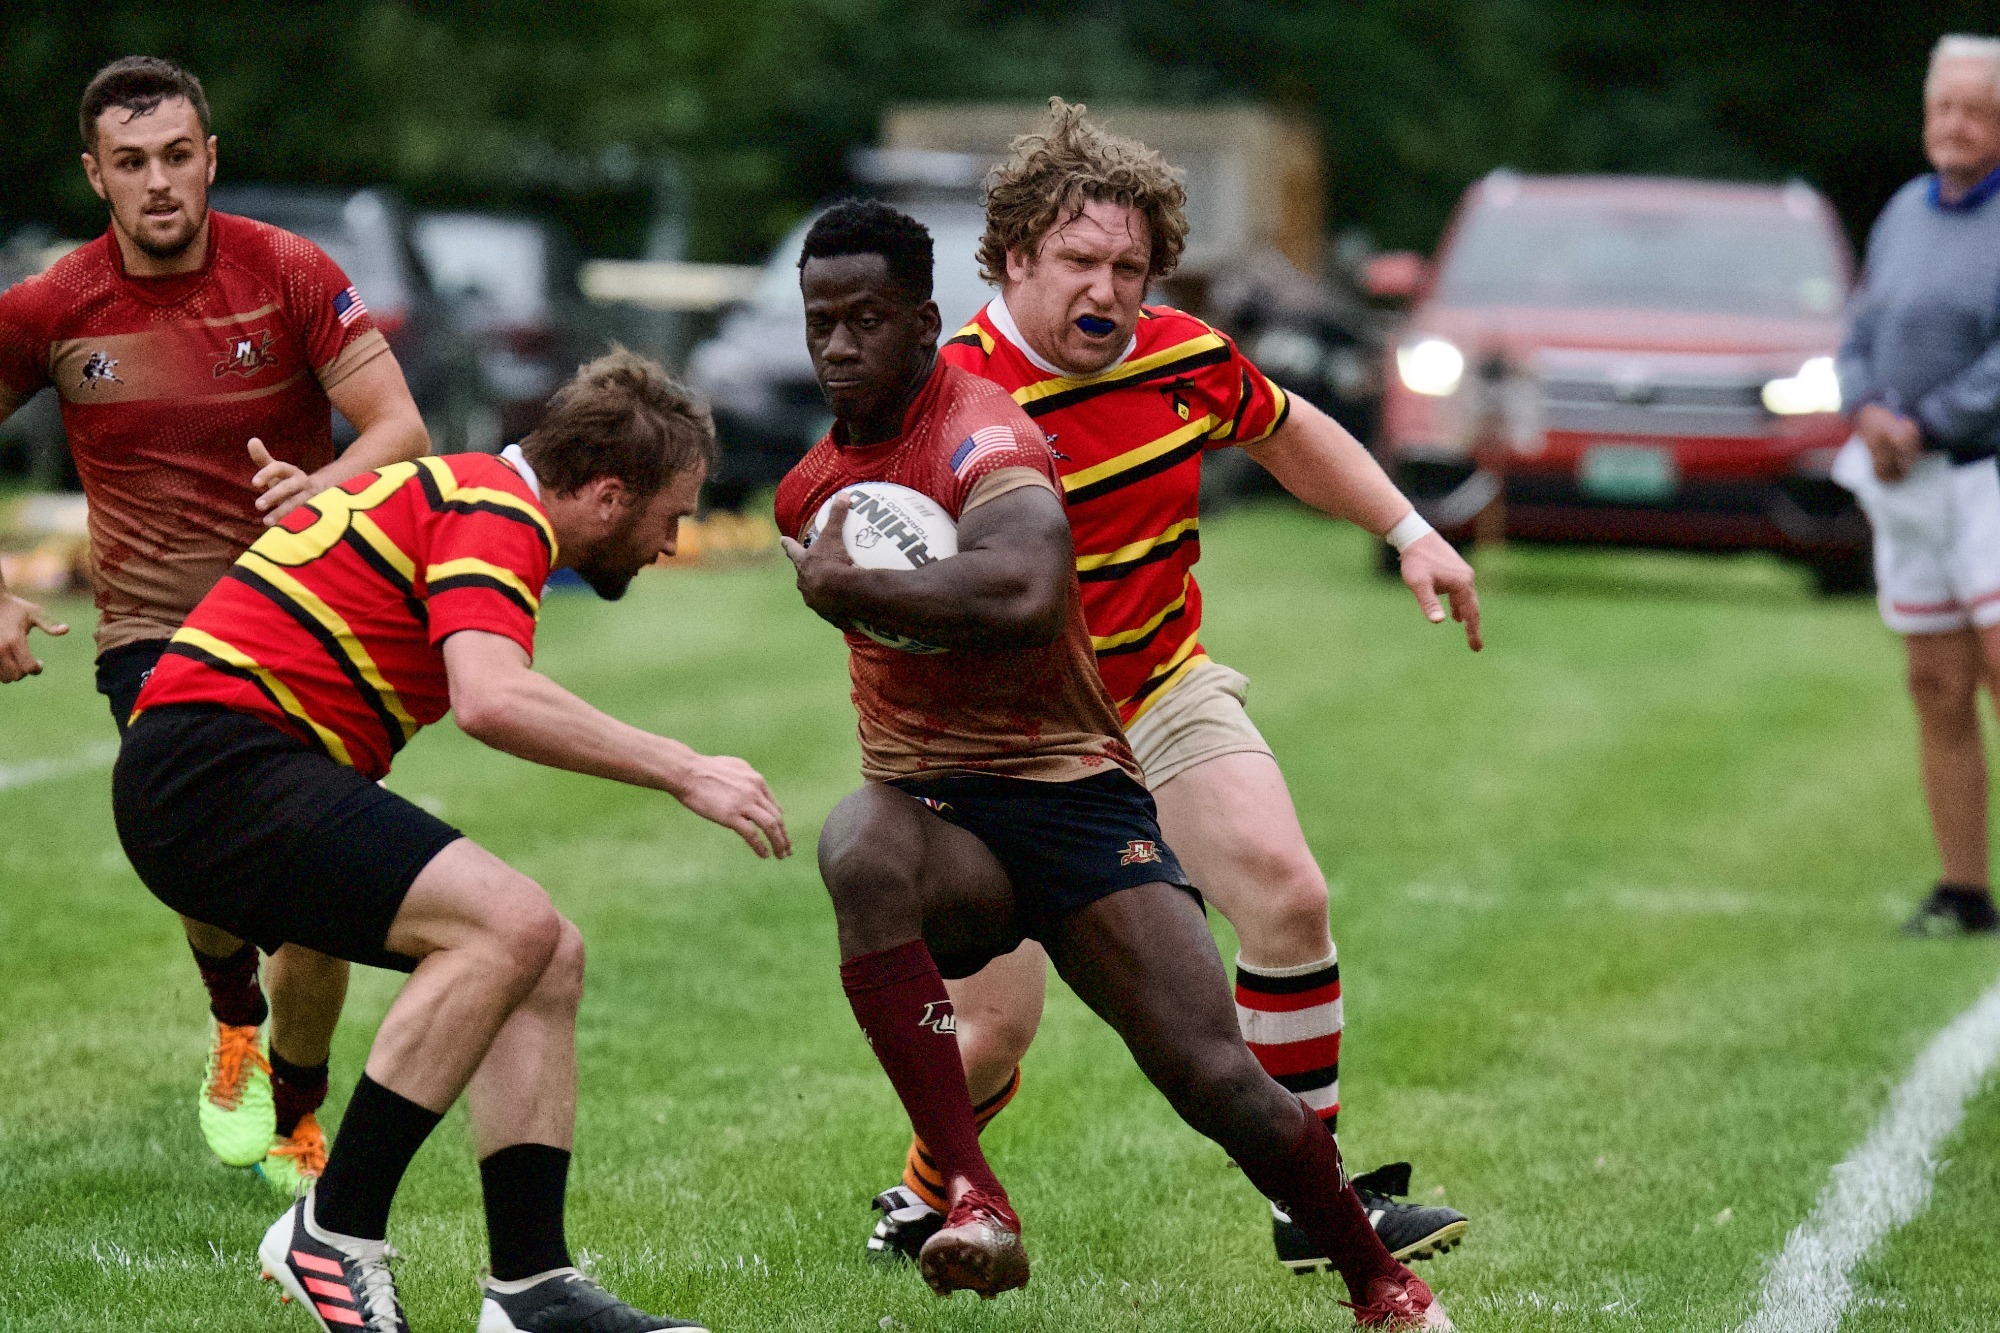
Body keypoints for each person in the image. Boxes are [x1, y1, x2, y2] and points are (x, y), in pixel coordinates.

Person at [776, 199, 1450, 1328]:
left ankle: (1353, 1252)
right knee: (885, 884)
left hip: (1109, 744)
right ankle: (958, 1196)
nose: (1105, 288)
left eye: (1126, 266)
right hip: (952, 802)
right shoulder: (816, 481)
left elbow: (1033, 589)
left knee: (1230, 1041)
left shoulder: (984, 422)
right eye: (1079, 261)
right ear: (1015, 263)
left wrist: (1408, 528)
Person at [112, 349, 789, 1333]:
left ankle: (532, 1289)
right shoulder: (496, 508)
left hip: (221, 765)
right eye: (669, 513)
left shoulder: (465, 492)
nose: (670, 540)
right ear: (605, 494)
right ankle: (332, 1230)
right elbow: (490, 695)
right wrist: (684, 766)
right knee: (506, 924)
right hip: (215, 767)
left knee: (546, 950)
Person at [0, 55, 430, 1194]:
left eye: (177, 156)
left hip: (303, 627)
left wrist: (326, 484)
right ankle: (234, 1020)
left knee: (319, 903)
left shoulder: (286, 270)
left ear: (210, 159)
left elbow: (400, 426)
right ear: (96, 175)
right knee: (199, 845)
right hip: (151, 635)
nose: (158, 183)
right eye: (131, 162)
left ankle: (295, 1108)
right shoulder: (51, 306)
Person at [1835, 35, 2000, 936]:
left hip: (1985, 472)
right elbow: (1860, 325)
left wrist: (1930, 421)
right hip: (1906, 481)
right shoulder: (1903, 209)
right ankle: (1964, 890)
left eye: (1976, 109)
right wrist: (1866, 408)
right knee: (1936, 682)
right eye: (1945, 107)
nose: (1957, 125)